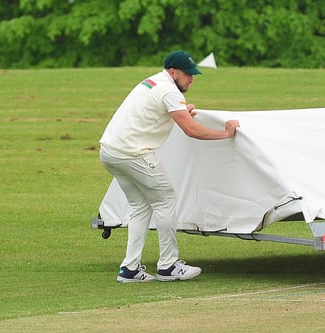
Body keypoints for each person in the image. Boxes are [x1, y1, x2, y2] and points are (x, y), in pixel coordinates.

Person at [99, 50, 240, 283]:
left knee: (140, 207)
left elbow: (158, 112)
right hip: (133, 154)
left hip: (110, 153)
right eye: (188, 75)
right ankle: (168, 266)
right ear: (173, 72)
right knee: (165, 200)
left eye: (193, 75)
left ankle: (130, 269)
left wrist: (182, 111)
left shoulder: (154, 82)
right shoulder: (169, 91)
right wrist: (226, 134)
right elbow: (191, 130)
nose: (191, 79)